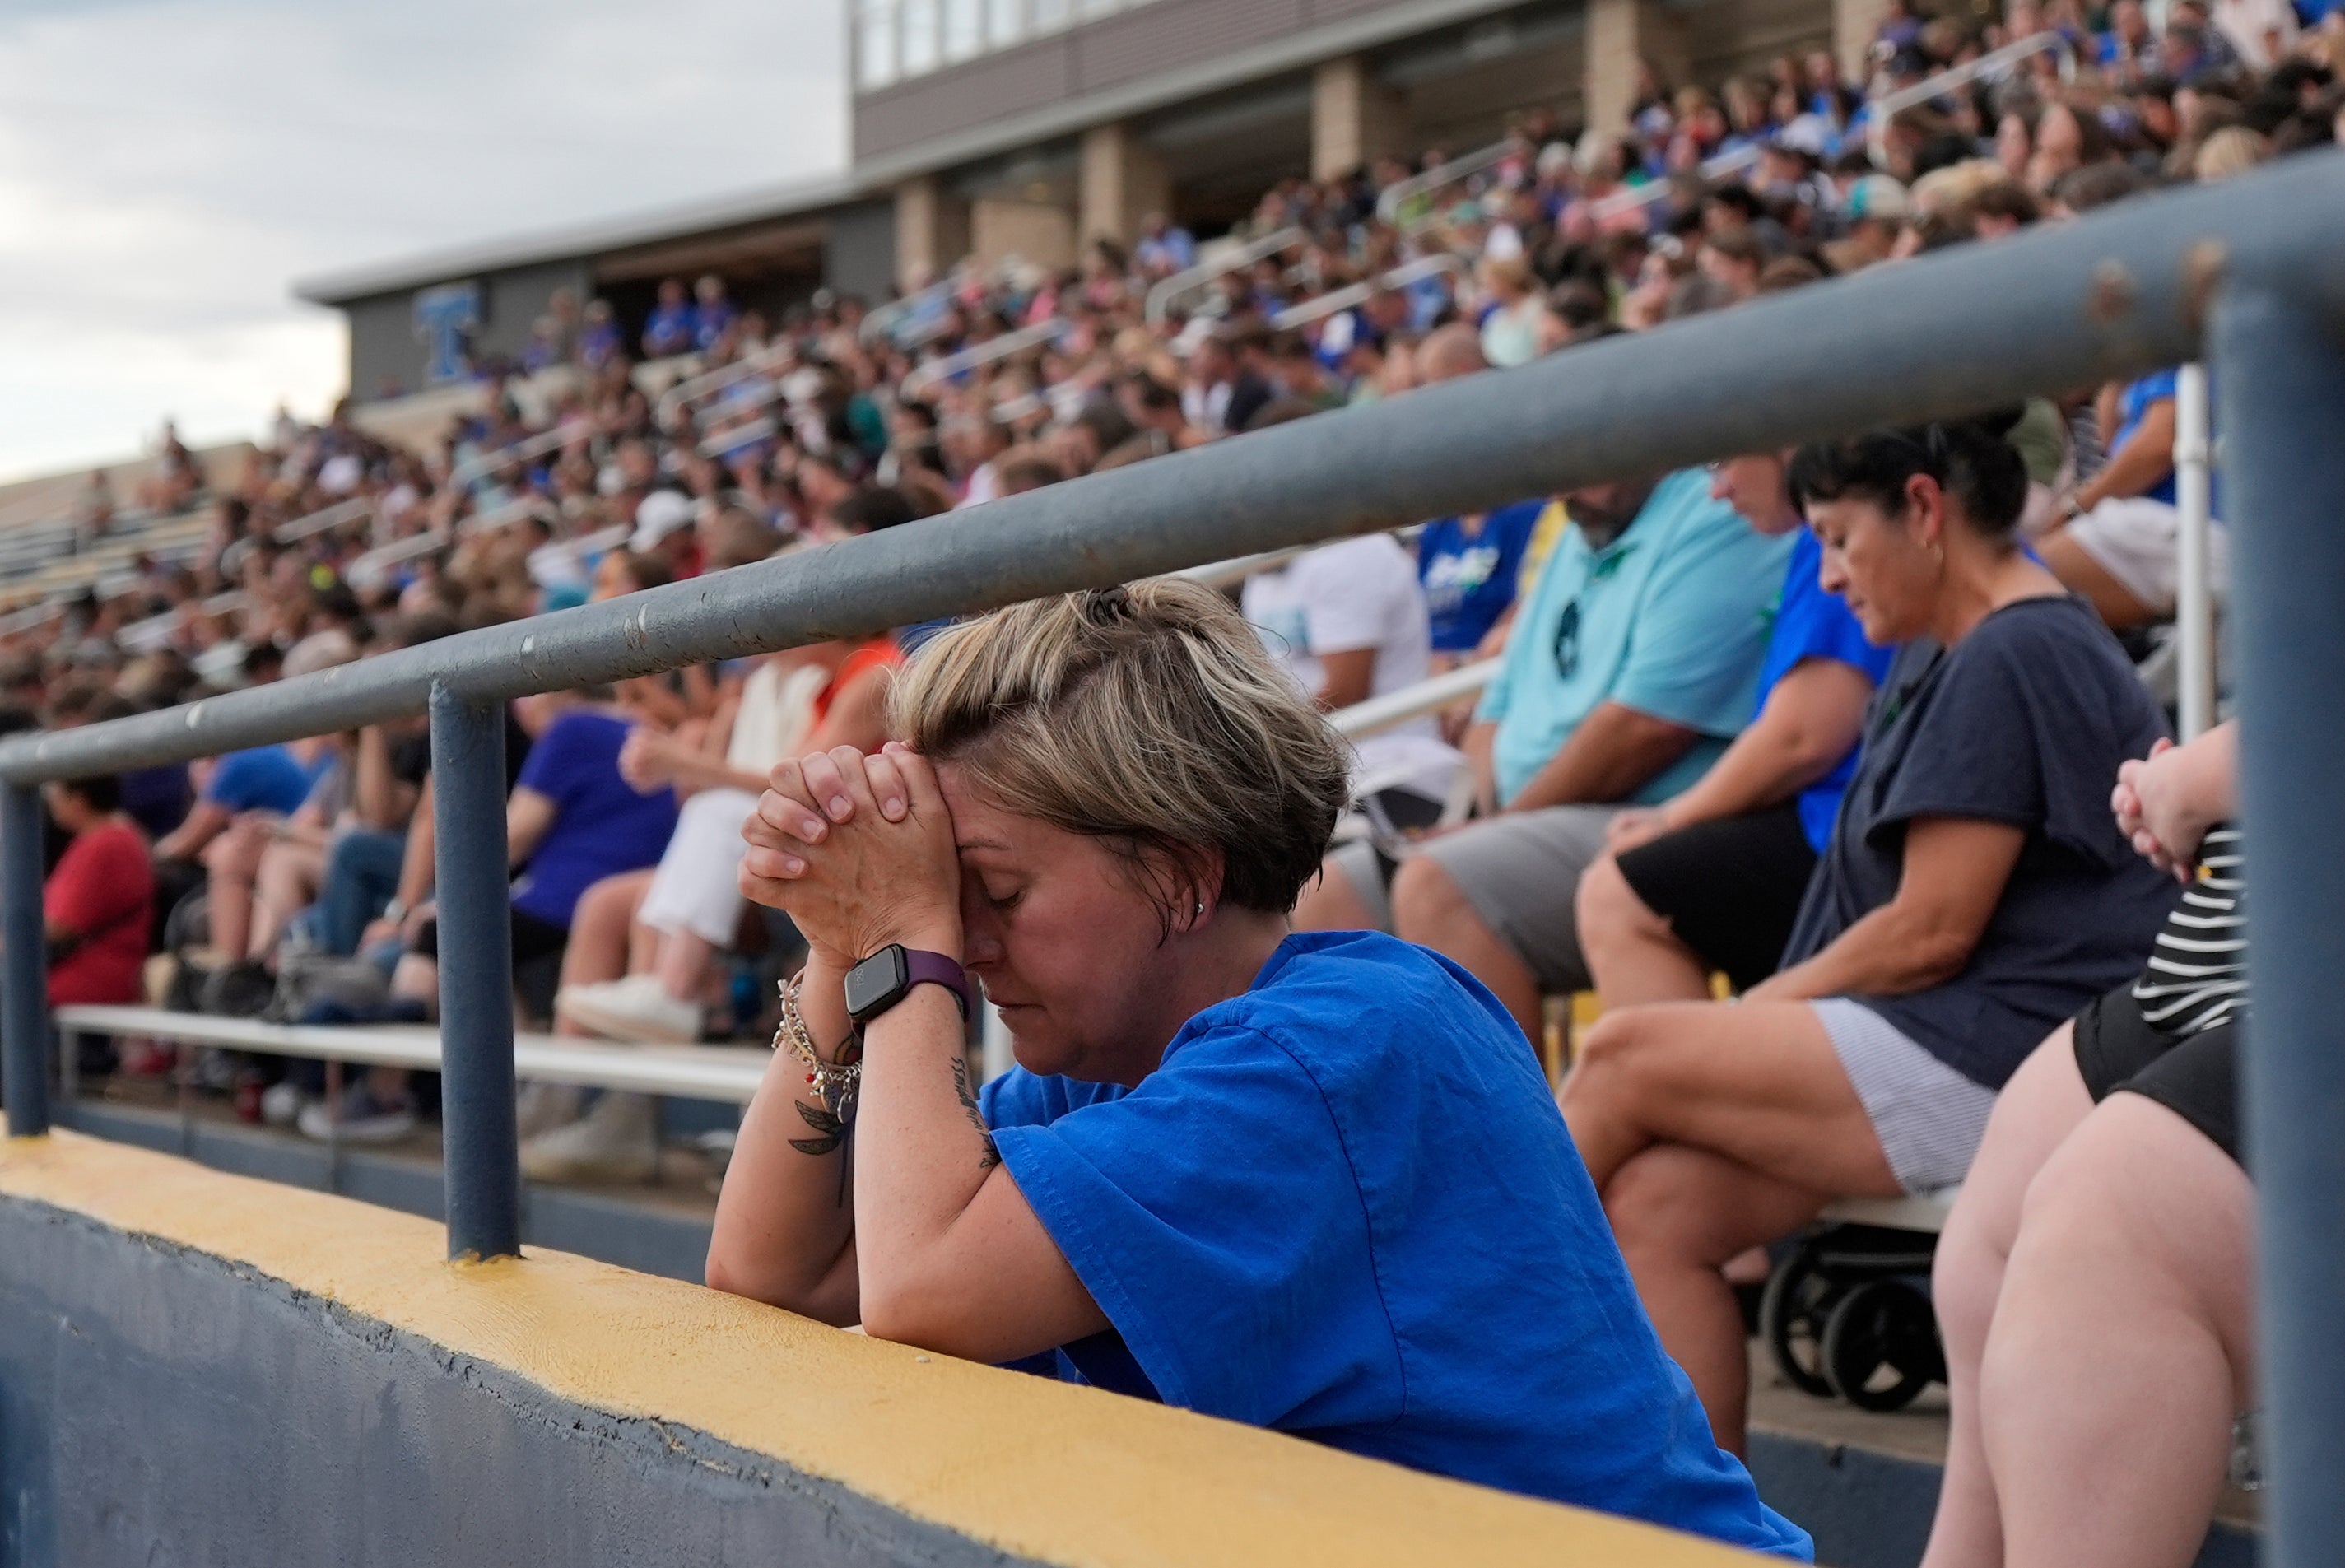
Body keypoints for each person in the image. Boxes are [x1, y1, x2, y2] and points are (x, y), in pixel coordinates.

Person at [710, 579, 1810, 1559]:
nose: (975, 942)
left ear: (1184, 877)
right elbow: (774, 1270)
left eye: (993, 896)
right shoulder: (1108, 1064)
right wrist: (837, 941)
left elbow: (918, 1289)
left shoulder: (1334, 1051)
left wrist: (907, 935)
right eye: (956, 902)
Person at [1556, 419, 2180, 1455]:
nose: (1831, 578)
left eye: (1839, 540)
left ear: (1925, 511)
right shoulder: (1944, 645)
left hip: (2012, 1055)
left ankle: (1444, 1324)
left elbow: (1927, 935)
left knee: (1626, 1053)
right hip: (1948, 1042)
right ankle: (1691, 1539)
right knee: (1658, 1210)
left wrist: (1755, 1012)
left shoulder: (2015, 647)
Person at [1303, 468, 1793, 1042]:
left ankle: (1515, 1132)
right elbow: (1494, 710)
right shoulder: (1579, 526)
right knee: (1322, 897)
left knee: (1439, 883)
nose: (1561, 491)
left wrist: (1493, 826)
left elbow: (1642, 730)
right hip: (1528, 817)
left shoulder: (1716, 512)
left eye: (1580, 462)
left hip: (1655, 813)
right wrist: (1482, 816)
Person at [1922, 723, 2250, 1568]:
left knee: (2104, 1224)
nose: (1832, 578)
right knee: (1983, 1251)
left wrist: (2192, 782)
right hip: (2220, 962)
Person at [1575, 449, 1893, 1007]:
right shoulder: (1816, 546)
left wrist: (1672, 817)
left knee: (1615, 890)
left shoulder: (1846, 544)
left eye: (1721, 462)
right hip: (1837, 833)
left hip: (1851, 846)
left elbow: (1801, 739)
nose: (1716, 491)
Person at [43, 774, 155, 1008]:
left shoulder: (103, 844)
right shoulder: (119, 834)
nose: (50, 799)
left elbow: (59, 926)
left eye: (55, 791)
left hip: (88, 975)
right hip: (101, 970)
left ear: (79, 800)